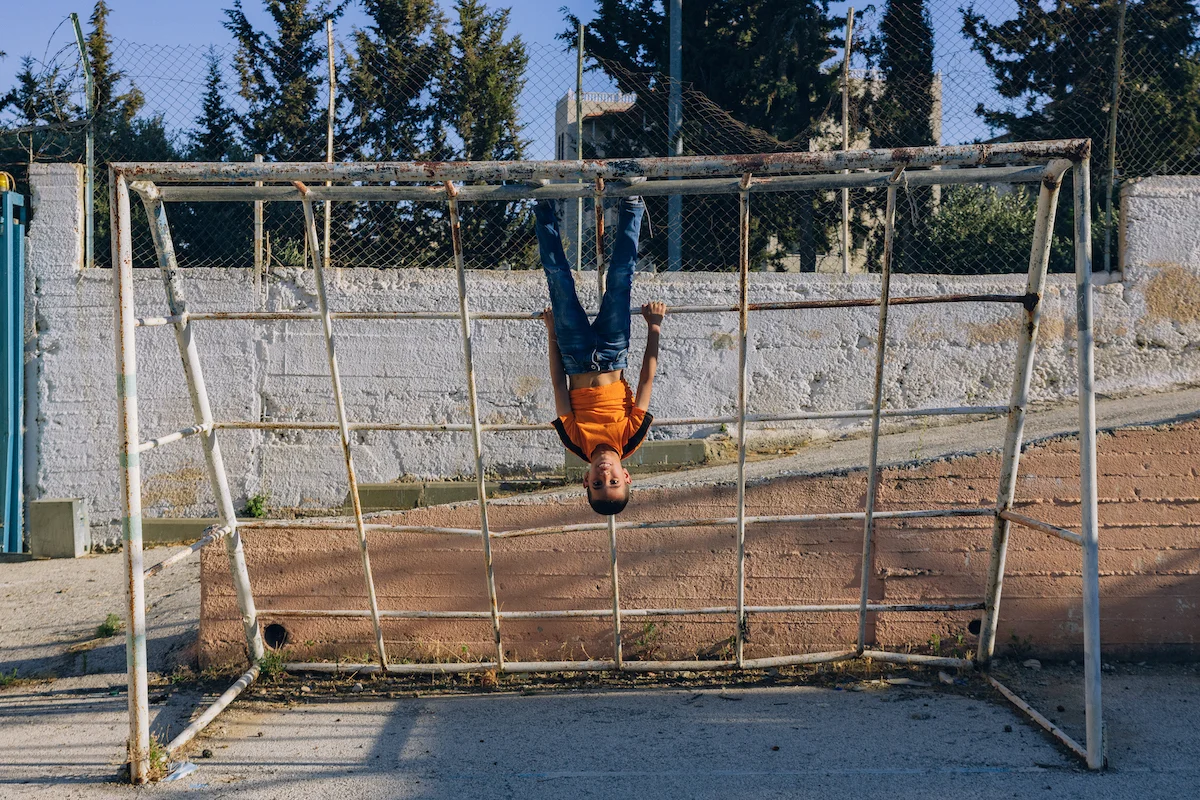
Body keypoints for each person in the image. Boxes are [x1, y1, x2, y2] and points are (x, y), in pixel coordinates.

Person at [534, 194, 665, 516]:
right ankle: (632, 206)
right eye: (614, 481)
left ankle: (542, 205)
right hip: (612, 351)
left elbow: (558, 384)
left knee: (558, 278)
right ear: (627, 476)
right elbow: (646, 381)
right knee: (620, 279)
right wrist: (654, 327)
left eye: (597, 483)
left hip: (573, 352)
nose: (605, 475)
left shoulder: (575, 441)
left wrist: (551, 333)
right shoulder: (632, 437)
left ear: (585, 480)